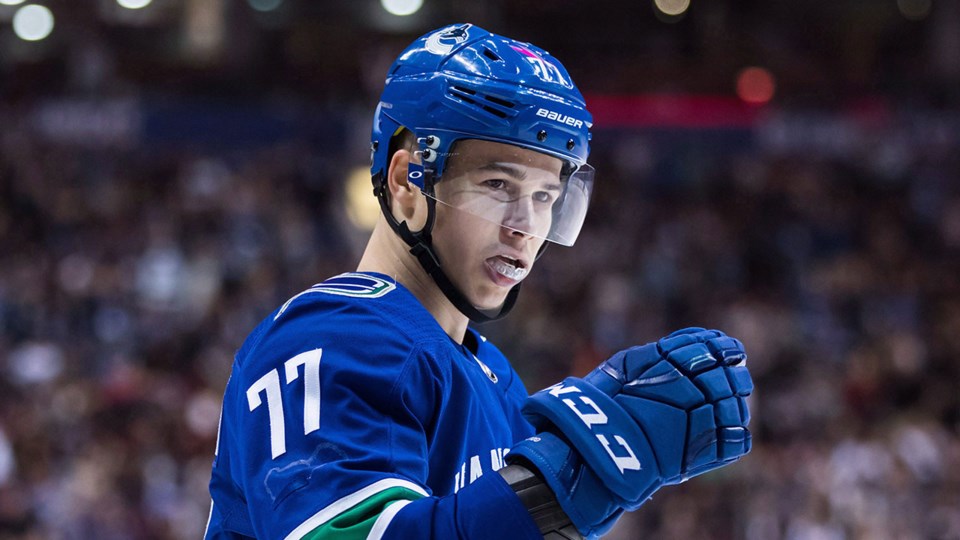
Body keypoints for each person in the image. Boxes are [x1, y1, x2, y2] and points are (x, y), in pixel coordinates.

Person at [204, 23, 754, 540]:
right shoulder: (332, 338)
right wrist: (585, 467)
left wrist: (580, 459)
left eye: (544, 197)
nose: (525, 227)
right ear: (406, 182)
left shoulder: (494, 376)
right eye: (497, 183)